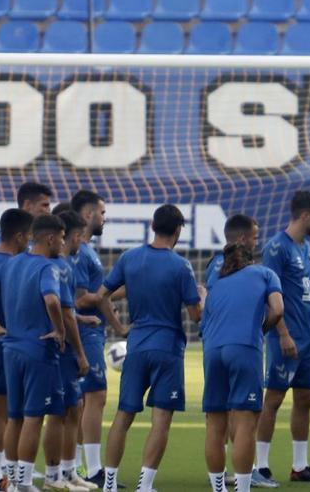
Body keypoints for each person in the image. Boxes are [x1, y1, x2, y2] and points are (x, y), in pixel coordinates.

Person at [96, 204, 203, 492]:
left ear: (153, 226)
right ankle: (145, 485)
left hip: (136, 344)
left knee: (123, 416)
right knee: (161, 419)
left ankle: (109, 483)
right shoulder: (181, 265)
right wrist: (202, 297)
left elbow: (101, 296)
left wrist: (118, 329)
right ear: (178, 229)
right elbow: (195, 315)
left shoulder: (130, 258)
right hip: (167, 347)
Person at [0, 214, 71, 492]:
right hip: (38, 349)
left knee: (12, 417)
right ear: (50, 238)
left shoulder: (11, 264)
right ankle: (25, 483)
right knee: (33, 417)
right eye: (61, 237)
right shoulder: (47, 268)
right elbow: (52, 299)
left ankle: (13, 480)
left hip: (10, 349)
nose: (63, 243)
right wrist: (60, 330)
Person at [201, 215, 285, 492]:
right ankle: (244, 487)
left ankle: (217, 488)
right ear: (246, 247)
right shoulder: (264, 274)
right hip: (244, 348)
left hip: (213, 349)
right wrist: (262, 329)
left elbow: (205, 312)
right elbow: (278, 310)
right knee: (246, 424)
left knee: (215, 423)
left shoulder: (217, 279)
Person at [255, 190, 310, 485]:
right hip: (285, 337)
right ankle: (260, 465)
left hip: (308, 338)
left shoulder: (307, 248)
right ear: (304, 215)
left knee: (305, 398)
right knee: (273, 398)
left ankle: (300, 466)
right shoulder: (276, 248)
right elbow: (267, 293)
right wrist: (282, 333)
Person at [67, 190, 128, 489]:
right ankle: (92, 470)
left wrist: (112, 294)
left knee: (83, 400)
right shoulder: (80, 251)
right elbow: (79, 299)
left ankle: (75, 467)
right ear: (88, 215)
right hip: (85, 332)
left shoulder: (86, 250)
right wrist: (113, 300)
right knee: (96, 396)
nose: (105, 218)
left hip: (91, 332)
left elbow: (95, 295)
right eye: (102, 213)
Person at [0, 208, 34, 490]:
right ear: (21, 236)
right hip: (3, 344)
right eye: (30, 237)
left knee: (1, 409)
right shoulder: (7, 263)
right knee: (4, 410)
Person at [44, 211, 94, 491]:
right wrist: (80, 352)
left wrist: (78, 317)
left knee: (73, 408)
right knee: (59, 411)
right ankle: (54, 476)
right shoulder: (58, 266)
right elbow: (59, 308)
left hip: (54, 343)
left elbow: (67, 309)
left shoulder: (54, 264)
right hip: (60, 348)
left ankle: (68, 471)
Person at [0, 182, 54, 251]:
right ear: (28, 204)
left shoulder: (39, 235)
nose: (49, 211)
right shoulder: (9, 233)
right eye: (45, 205)